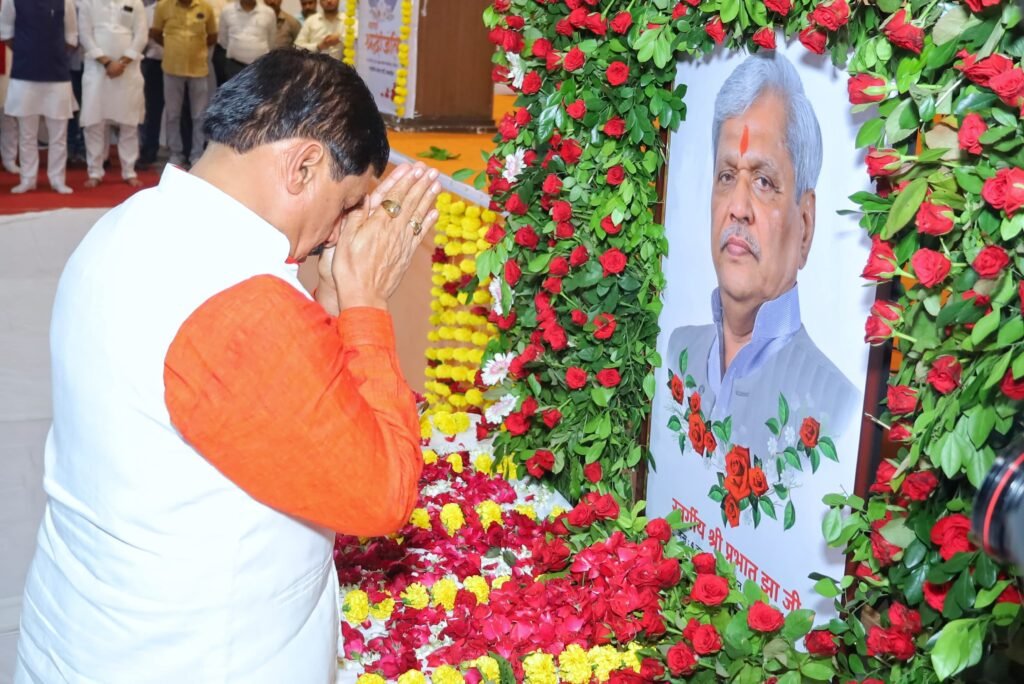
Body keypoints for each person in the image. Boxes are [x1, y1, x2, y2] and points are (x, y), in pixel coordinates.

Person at [15, 49, 440, 682]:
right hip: (193, 657)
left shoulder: (131, 223)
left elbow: (270, 401)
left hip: (89, 631)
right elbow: (381, 494)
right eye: (349, 203)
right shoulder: (239, 306)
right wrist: (367, 303)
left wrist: (325, 303)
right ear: (303, 166)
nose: (339, 232)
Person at [665, 53, 857, 456]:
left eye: (764, 181)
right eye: (727, 176)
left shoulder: (838, 408)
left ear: (805, 225)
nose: (738, 207)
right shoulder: (678, 353)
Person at [0, 0, 78, 194]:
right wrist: (28, 53)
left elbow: (71, 37)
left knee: (58, 134)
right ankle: (28, 179)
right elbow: (6, 32)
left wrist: (50, 55)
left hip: (57, 75)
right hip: (24, 73)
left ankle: (57, 179)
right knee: (26, 134)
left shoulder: (66, 1)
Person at [79, 0, 148, 188]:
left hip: (128, 70)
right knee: (94, 122)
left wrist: (122, 62)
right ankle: (94, 171)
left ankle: (129, 171)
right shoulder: (88, 3)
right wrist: (107, 62)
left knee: (129, 123)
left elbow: (141, 35)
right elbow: (85, 35)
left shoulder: (135, 3)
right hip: (97, 69)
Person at [150, 0, 216, 168]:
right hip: (172, 67)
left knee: (199, 115)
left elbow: (213, 36)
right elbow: (156, 33)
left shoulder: (205, 7)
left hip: (199, 69)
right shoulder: (164, 6)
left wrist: (194, 49)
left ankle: (197, 154)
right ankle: (175, 154)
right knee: (173, 114)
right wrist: (174, 47)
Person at [218, 0, 275, 81]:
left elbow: (271, 41)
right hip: (234, 67)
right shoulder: (227, 11)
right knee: (234, 93)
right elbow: (223, 40)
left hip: (260, 67)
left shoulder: (269, 12)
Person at [138, 0, 163, 167]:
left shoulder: (174, 6)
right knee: (151, 110)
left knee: (180, 113)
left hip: (181, 64)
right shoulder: (145, 9)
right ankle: (149, 150)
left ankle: (185, 151)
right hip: (153, 63)